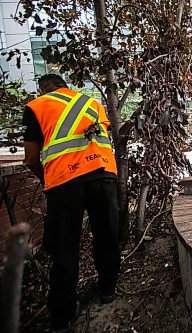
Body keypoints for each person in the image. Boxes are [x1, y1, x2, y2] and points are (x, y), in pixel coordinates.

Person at [23, 74, 120, 332]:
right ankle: (107, 288)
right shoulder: (91, 103)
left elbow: (31, 157)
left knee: (65, 246)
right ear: (66, 86)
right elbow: (102, 137)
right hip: (102, 173)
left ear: (44, 88)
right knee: (107, 235)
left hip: (65, 182)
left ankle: (62, 316)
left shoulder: (37, 106)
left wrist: (47, 179)